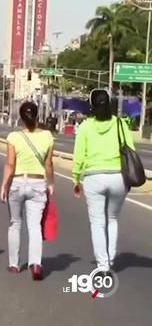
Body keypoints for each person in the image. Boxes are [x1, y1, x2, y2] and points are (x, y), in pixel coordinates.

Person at [72, 89, 133, 273]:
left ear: (91, 105)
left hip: (94, 178)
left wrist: (76, 178)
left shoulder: (85, 127)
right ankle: (111, 258)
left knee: (97, 222)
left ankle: (103, 264)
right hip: (118, 177)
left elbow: (79, 155)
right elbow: (130, 149)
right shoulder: (120, 124)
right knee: (112, 219)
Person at [0, 102, 54, 280]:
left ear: (21, 117)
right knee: (34, 226)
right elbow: (48, 164)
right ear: (37, 115)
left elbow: (10, 164)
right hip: (38, 184)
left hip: (17, 182)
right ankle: (36, 264)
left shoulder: (14, 137)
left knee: (15, 223)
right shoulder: (47, 136)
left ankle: (14, 264)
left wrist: (4, 185)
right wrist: (51, 183)